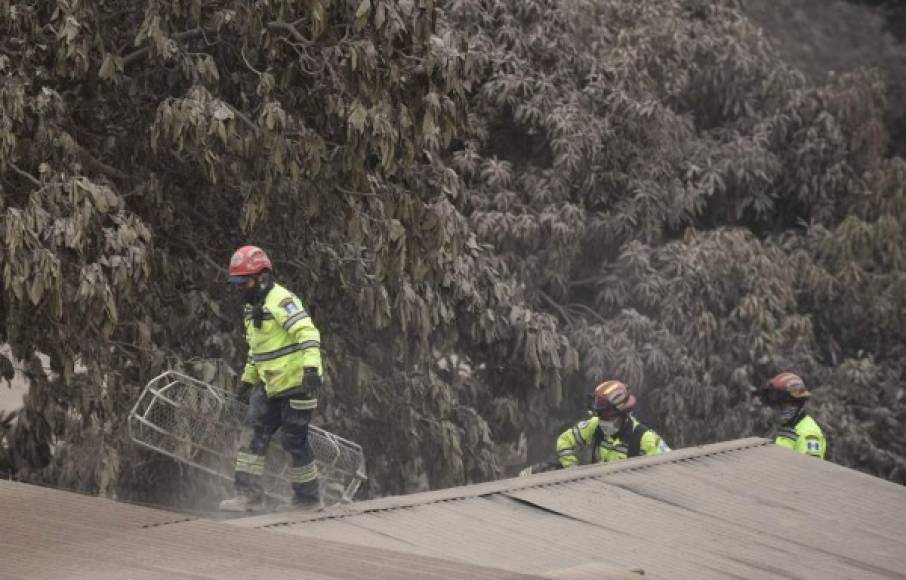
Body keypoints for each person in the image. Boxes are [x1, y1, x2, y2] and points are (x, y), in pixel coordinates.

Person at [219, 245, 324, 512]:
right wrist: (246, 380)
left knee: (294, 440)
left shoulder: (281, 300)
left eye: (245, 281)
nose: (241, 287)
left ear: (262, 277)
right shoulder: (251, 307)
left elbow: (308, 333)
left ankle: (308, 499)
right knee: (252, 433)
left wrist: (311, 370)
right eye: (238, 283)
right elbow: (258, 351)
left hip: (297, 384)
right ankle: (248, 496)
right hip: (269, 385)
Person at [555, 380, 670, 468]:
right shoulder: (595, 425)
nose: (602, 422)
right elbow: (564, 440)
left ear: (622, 414)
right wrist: (572, 468)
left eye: (607, 418)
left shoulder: (644, 439)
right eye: (600, 417)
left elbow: (670, 467)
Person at [760, 372, 826, 459]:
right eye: (776, 404)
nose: (778, 409)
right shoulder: (789, 427)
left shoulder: (809, 433)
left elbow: (810, 469)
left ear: (799, 402)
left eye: (784, 404)